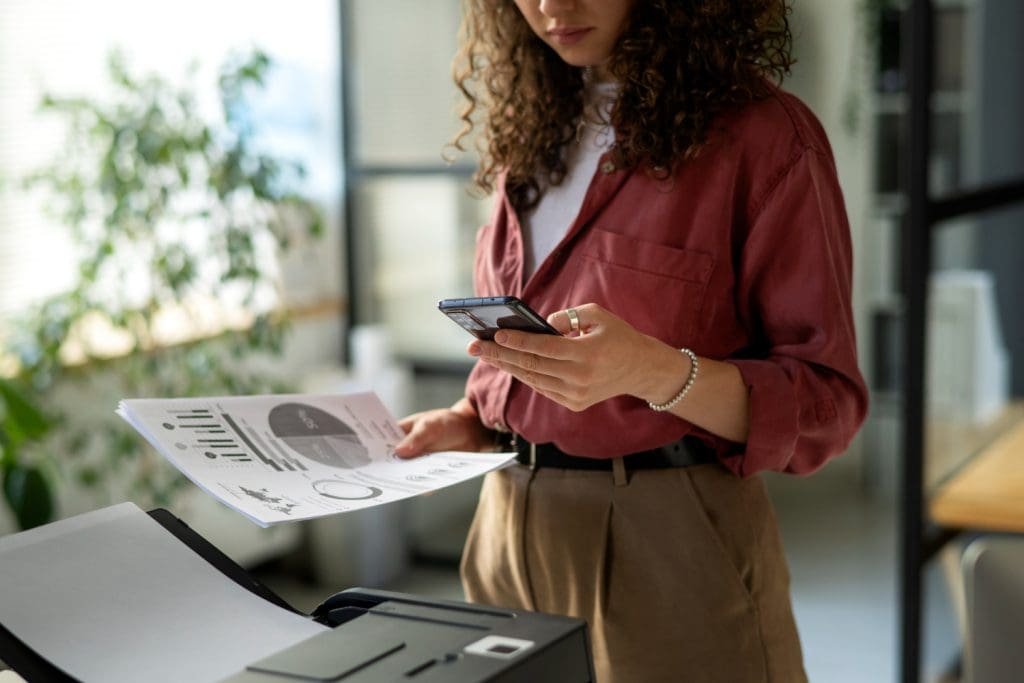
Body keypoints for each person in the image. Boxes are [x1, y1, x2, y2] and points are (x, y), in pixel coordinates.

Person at [394, 0, 869, 681]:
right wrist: (473, 422)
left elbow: (826, 404)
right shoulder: (534, 133)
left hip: (670, 547)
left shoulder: (765, 141)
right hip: (504, 536)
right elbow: (530, 345)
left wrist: (656, 372)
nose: (552, 6)